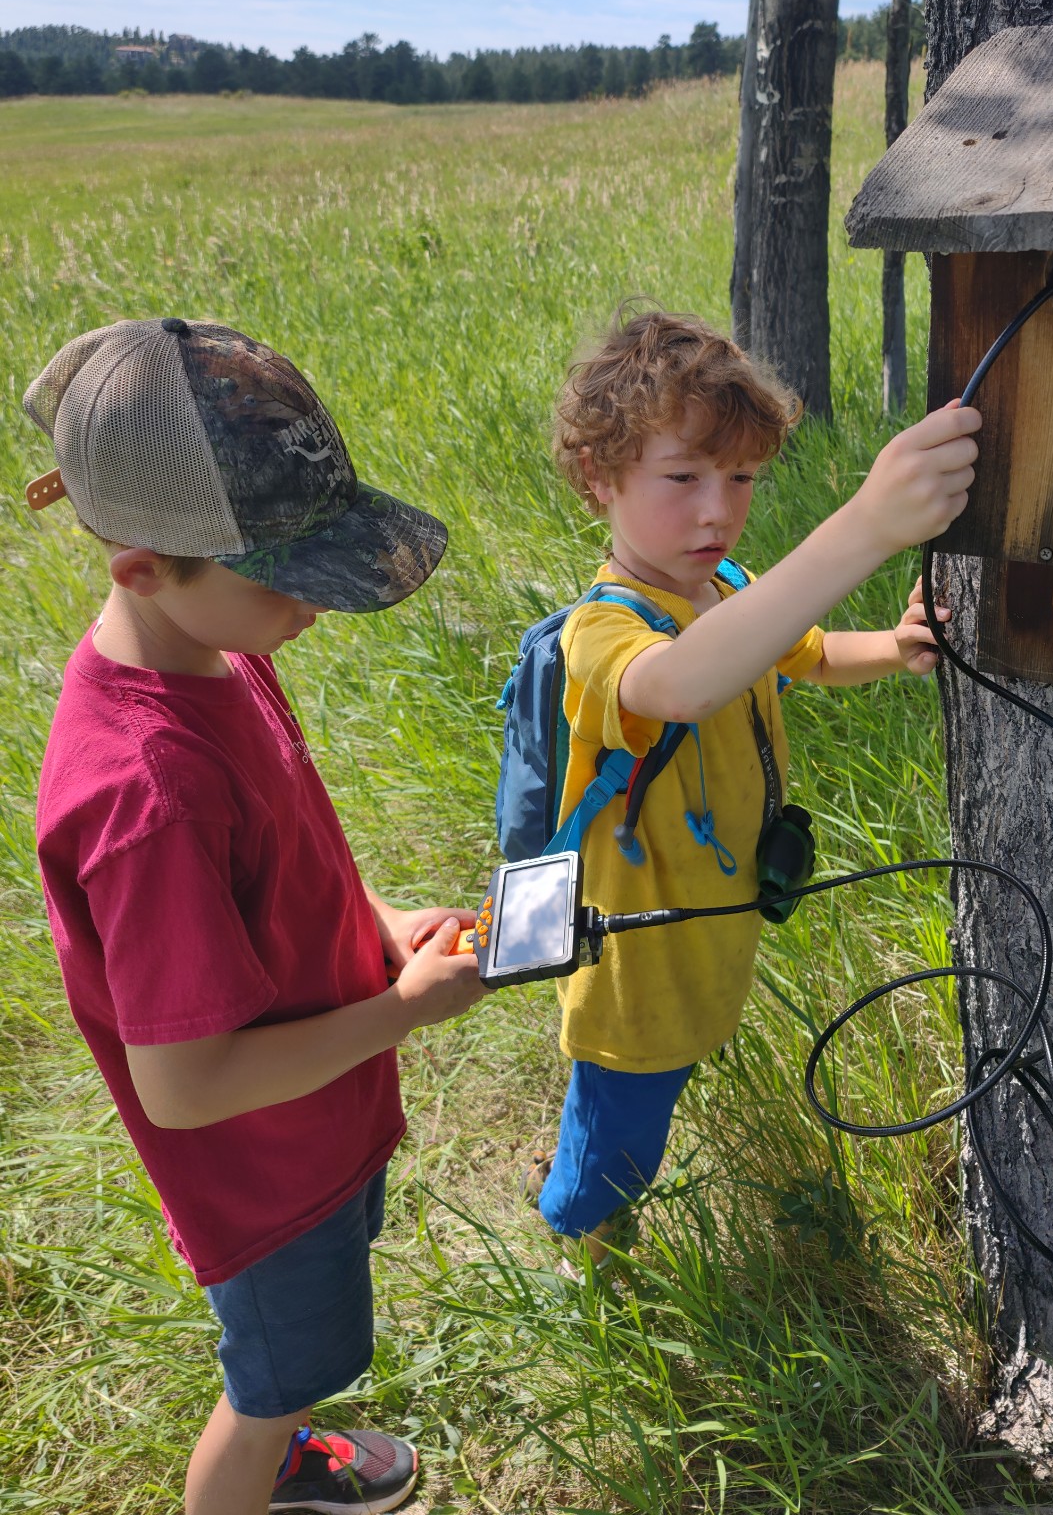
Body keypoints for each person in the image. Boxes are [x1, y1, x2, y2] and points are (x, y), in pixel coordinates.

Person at [26, 317, 488, 1515]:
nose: (313, 609)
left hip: (312, 1126)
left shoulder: (216, 649)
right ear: (142, 566)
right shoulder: (147, 793)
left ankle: (290, 1463)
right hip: (262, 1174)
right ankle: (255, 1474)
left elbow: (290, 850)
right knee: (274, 1380)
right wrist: (398, 1013)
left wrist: (378, 919)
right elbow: (182, 1086)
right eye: (287, 579)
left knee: (302, 1357)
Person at [526, 306, 980, 1272]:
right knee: (617, 1134)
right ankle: (587, 1259)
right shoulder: (603, 632)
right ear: (599, 480)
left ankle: (601, 1224)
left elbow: (804, 653)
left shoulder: (726, 586)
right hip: (634, 964)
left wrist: (895, 650)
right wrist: (864, 527)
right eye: (683, 477)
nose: (717, 509)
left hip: (709, 930)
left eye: (740, 479)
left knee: (662, 1089)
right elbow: (681, 683)